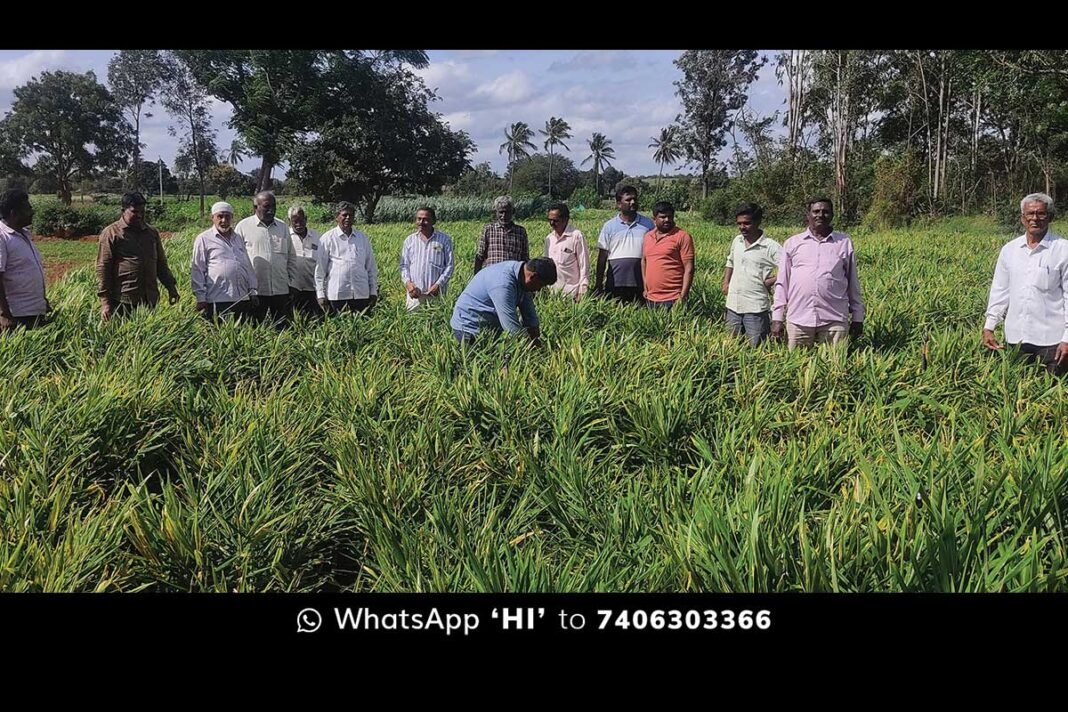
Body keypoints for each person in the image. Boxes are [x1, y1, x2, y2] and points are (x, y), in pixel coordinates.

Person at [982, 192, 1068, 376]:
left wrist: (1067, 339)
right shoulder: (1010, 250)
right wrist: (989, 326)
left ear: (1050, 217)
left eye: (1041, 214)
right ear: (1022, 218)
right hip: (1016, 338)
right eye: (1030, 214)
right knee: (1017, 390)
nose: (1034, 219)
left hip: (1052, 342)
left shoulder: (1063, 250)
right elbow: (1000, 290)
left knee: (1050, 395)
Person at [771, 198, 865, 349]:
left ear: (832, 215)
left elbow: (853, 282)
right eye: (816, 211)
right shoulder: (792, 243)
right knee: (796, 368)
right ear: (808, 215)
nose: (820, 215)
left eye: (825, 212)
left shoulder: (844, 242)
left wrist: (857, 317)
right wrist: (777, 318)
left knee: (835, 367)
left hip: (834, 319)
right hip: (798, 318)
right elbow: (782, 283)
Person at [96, 191, 179, 320]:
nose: (140, 215)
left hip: (149, 298)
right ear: (123, 210)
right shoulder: (112, 233)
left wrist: (171, 287)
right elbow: (103, 267)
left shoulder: (151, 233)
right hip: (124, 299)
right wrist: (105, 302)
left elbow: (160, 264)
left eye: (142, 211)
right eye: (135, 212)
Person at [450, 257, 557, 346]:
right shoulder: (503, 284)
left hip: (488, 328)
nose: (539, 290)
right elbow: (511, 327)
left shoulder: (523, 277)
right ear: (533, 277)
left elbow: (530, 315)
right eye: (541, 285)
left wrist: (537, 341)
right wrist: (529, 351)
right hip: (469, 328)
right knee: (479, 365)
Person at [722, 202, 780, 345]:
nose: (742, 227)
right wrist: (726, 282)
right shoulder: (738, 241)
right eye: (739, 223)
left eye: (747, 223)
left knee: (756, 347)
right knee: (731, 346)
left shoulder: (770, 246)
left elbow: (790, 268)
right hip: (733, 305)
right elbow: (730, 262)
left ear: (758, 221)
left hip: (755, 308)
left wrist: (770, 281)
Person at [190, 201, 258, 322]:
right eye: (220, 216)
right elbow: (198, 270)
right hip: (217, 300)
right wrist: (201, 298)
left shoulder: (238, 238)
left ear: (232, 218)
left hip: (241, 299)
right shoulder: (204, 239)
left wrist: (253, 291)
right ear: (213, 218)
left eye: (227, 216)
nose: (223, 220)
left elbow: (247, 265)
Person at [235, 190, 295, 325]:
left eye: (274, 206)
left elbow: (291, 256)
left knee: (282, 328)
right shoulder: (243, 227)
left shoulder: (283, 227)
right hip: (256, 290)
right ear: (255, 207)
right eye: (267, 206)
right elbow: (238, 260)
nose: (271, 210)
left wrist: (291, 283)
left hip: (281, 289)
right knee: (256, 328)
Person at [315, 201, 378, 315]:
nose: (348, 218)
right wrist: (320, 295)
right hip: (337, 295)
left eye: (351, 215)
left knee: (363, 329)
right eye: (344, 215)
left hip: (361, 294)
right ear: (337, 217)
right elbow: (320, 271)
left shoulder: (362, 238)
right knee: (340, 330)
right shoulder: (327, 239)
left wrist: (373, 291)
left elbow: (371, 267)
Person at [595, 185, 653, 303]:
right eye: (628, 199)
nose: (633, 202)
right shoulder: (609, 226)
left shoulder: (648, 225)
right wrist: (598, 284)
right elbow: (602, 257)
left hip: (641, 281)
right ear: (618, 204)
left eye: (635, 199)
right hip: (616, 281)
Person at [0, 189, 48, 331]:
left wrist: (42, 301)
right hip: (16, 315)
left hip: (34, 311)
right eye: (27, 209)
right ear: (14, 213)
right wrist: (4, 314)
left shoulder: (24, 234)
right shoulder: (2, 237)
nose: (32, 212)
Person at [641, 201, 694, 309]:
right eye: (663, 217)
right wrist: (645, 287)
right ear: (654, 218)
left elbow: (689, 268)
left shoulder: (682, 236)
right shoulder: (648, 237)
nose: (667, 220)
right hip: (651, 297)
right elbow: (644, 261)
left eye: (670, 217)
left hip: (673, 298)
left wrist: (683, 296)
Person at [399, 206, 454, 310]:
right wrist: (408, 283)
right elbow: (404, 265)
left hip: (436, 294)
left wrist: (438, 284)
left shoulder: (444, 240)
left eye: (426, 219)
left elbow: (449, 265)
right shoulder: (409, 241)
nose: (421, 222)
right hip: (414, 295)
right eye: (419, 219)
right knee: (413, 323)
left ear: (433, 221)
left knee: (436, 323)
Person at [542, 202, 589, 300]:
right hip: (553, 294)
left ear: (565, 219)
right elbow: (546, 265)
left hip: (572, 294)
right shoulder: (549, 239)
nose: (552, 224)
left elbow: (583, 265)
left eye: (555, 221)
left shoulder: (576, 236)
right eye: (549, 220)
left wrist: (582, 290)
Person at [474, 195, 528, 273]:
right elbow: (480, 256)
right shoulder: (489, 229)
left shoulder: (520, 231)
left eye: (507, 212)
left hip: (512, 276)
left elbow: (525, 258)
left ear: (513, 211)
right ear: (496, 212)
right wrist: (476, 277)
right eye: (501, 212)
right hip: (492, 274)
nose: (504, 216)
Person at [286, 204, 322, 318]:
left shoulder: (317, 237)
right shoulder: (285, 236)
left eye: (301, 220)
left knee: (315, 319)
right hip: (292, 289)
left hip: (313, 289)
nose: (298, 224)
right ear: (289, 221)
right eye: (295, 221)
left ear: (306, 219)